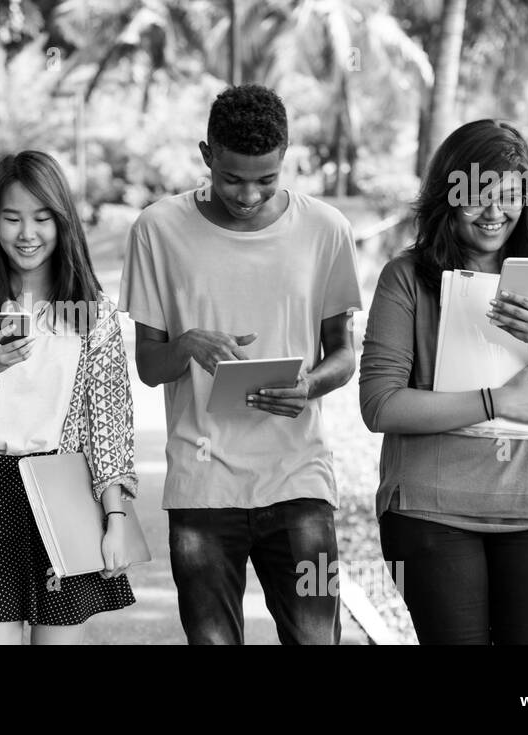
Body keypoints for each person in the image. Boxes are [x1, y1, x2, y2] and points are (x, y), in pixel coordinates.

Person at [119, 84, 362, 645]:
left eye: (266, 179)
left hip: (300, 479)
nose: (249, 195)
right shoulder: (158, 229)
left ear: (286, 158)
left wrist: (309, 385)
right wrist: (188, 345)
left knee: (315, 638)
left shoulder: (326, 230)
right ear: (207, 155)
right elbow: (151, 366)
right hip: (203, 486)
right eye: (232, 178)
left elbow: (344, 352)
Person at [358, 119, 528, 645]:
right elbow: (380, 406)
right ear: (448, 197)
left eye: (509, 196)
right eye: (478, 197)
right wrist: (497, 402)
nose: (494, 212)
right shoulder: (406, 277)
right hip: (430, 511)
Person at [0, 150, 137, 645]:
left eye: (43, 218)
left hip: (63, 492)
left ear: (63, 223)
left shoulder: (91, 316)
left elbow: (108, 428)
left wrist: (116, 520)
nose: (28, 233)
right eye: (12, 218)